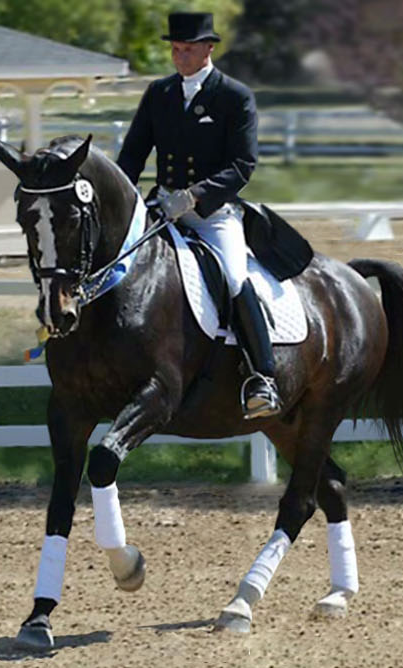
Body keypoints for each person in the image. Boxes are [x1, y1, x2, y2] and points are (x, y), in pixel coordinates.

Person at [116, 12, 280, 419]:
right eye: (174, 48)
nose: (179, 56)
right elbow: (133, 155)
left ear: (208, 48)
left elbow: (243, 164)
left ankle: (263, 377)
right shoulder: (159, 93)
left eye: (187, 48)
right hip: (162, 209)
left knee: (235, 276)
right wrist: (121, 203)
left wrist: (194, 197)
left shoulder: (234, 96)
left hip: (212, 213)